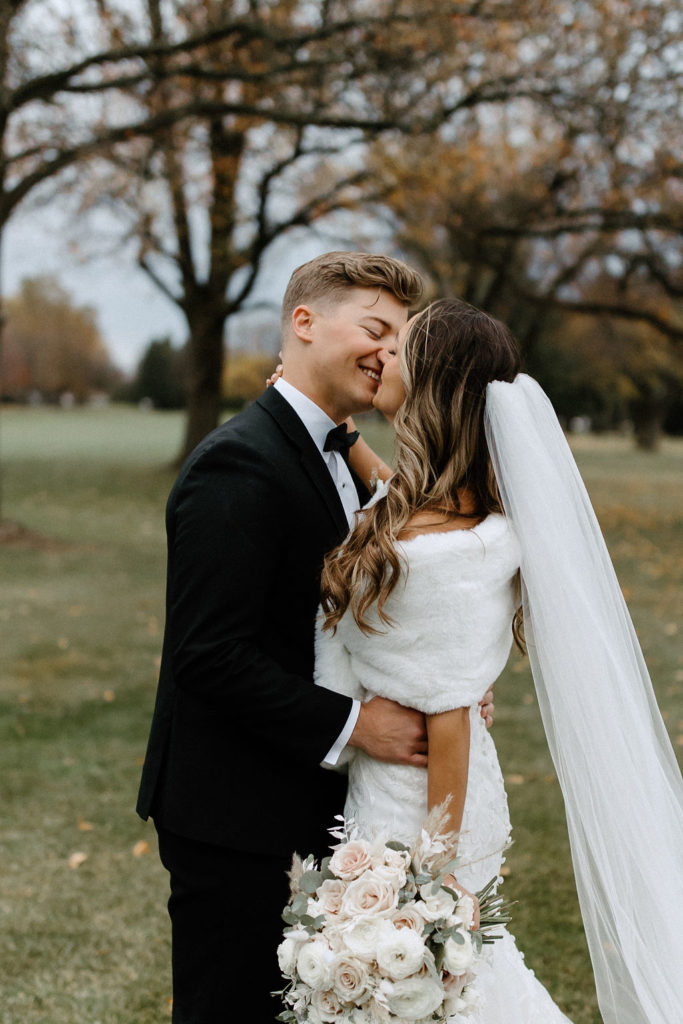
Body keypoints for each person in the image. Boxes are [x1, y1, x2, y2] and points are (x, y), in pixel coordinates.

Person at [136, 253, 494, 1024]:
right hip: (234, 815)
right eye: (374, 329)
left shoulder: (337, 453)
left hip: (305, 802)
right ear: (303, 322)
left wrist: (434, 676)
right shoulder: (237, 464)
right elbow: (208, 654)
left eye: (400, 342)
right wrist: (360, 725)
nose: (388, 354)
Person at [314, 298, 683, 1022]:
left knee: (436, 986)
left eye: (401, 347)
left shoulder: (444, 558)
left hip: (421, 806)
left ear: (431, 386)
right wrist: (352, 445)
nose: (384, 355)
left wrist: (425, 895)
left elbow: (447, 718)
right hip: (411, 789)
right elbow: (401, 497)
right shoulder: (449, 511)